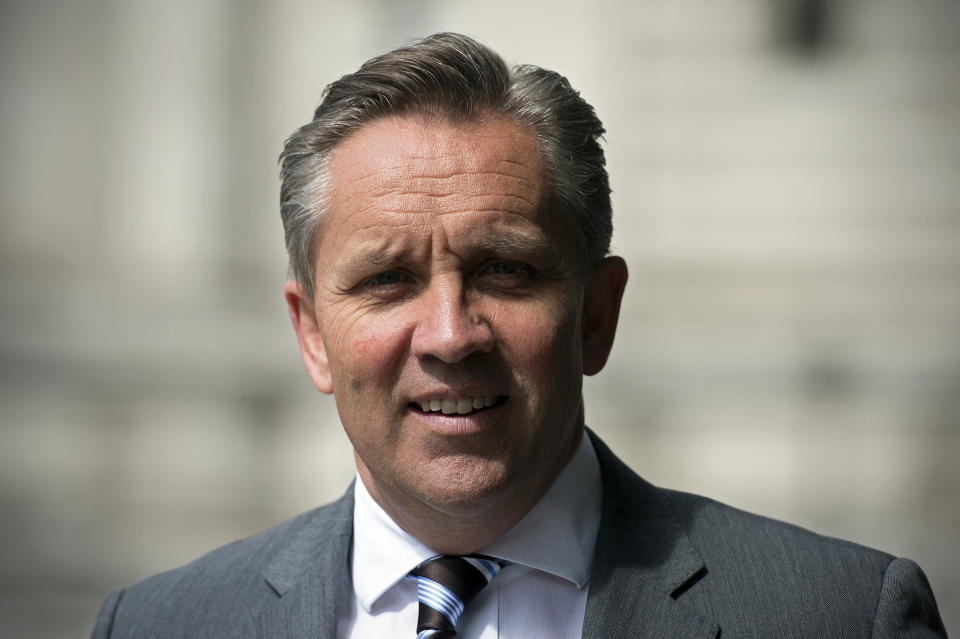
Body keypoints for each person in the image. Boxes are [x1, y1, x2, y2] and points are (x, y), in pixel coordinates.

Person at [91, 32, 946, 638]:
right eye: (388, 279)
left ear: (597, 316)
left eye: (506, 270)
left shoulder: (837, 614)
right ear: (312, 333)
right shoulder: (161, 624)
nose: (451, 334)